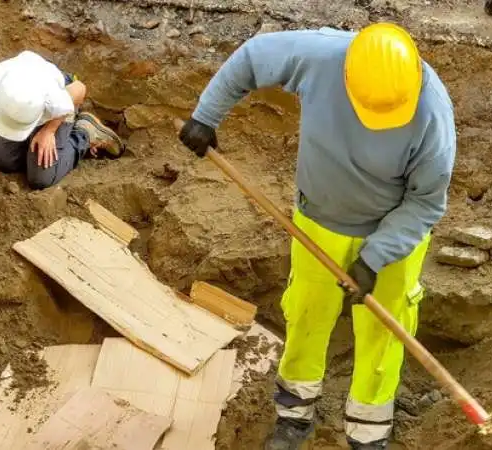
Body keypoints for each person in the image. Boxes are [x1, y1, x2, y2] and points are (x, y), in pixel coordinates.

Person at [178, 23, 456, 450]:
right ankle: (294, 415)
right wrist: (206, 114)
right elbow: (252, 57)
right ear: (347, 74)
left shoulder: (432, 117)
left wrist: (374, 258)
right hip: (318, 222)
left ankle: (368, 433)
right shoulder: (321, 56)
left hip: (393, 233)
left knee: (384, 331)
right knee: (306, 314)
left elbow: (425, 204)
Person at [0, 50, 125, 217]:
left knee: (40, 177)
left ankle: (84, 133)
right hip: (24, 98)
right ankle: (33, 145)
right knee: (3, 160)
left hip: (58, 113)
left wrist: (49, 130)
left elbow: (80, 89)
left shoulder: (54, 98)